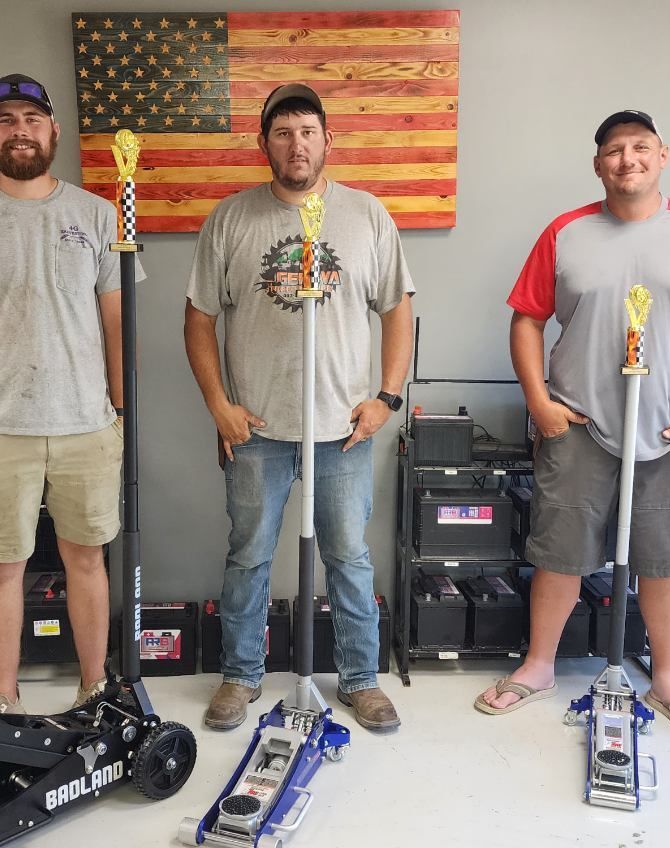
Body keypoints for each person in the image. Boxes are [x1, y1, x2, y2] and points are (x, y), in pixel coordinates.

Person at [476, 110, 670, 744]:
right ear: (598, 164)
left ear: (662, 156)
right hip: (579, 425)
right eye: (614, 151)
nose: (628, 159)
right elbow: (526, 318)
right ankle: (539, 667)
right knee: (560, 551)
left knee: (665, 556)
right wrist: (540, 402)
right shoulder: (566, 233)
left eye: (640, 148)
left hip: (666, 431)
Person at [0, 74, 132, 764]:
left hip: (85, 425)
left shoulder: (98, 217)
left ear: (54, 131)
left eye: (31, 118)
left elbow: (116, 326)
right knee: (0, 569)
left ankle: (94, 688)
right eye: (4, 119)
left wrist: (117, 413)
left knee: (86, 561)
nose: (19, 130)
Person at [184, 83, 415, 731]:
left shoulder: (366, 215)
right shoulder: (231, 218)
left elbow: (398, 310)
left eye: (307, 132)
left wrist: (386, 398)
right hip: (255, 430)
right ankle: (239, 676)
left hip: (342, 431)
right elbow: (197, 320)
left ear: (326, 141)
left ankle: (360, 680)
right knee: (248, 557)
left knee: (348, 556)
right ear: (264, 145)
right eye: (282, 133)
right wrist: (218, 406)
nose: (296, 145)